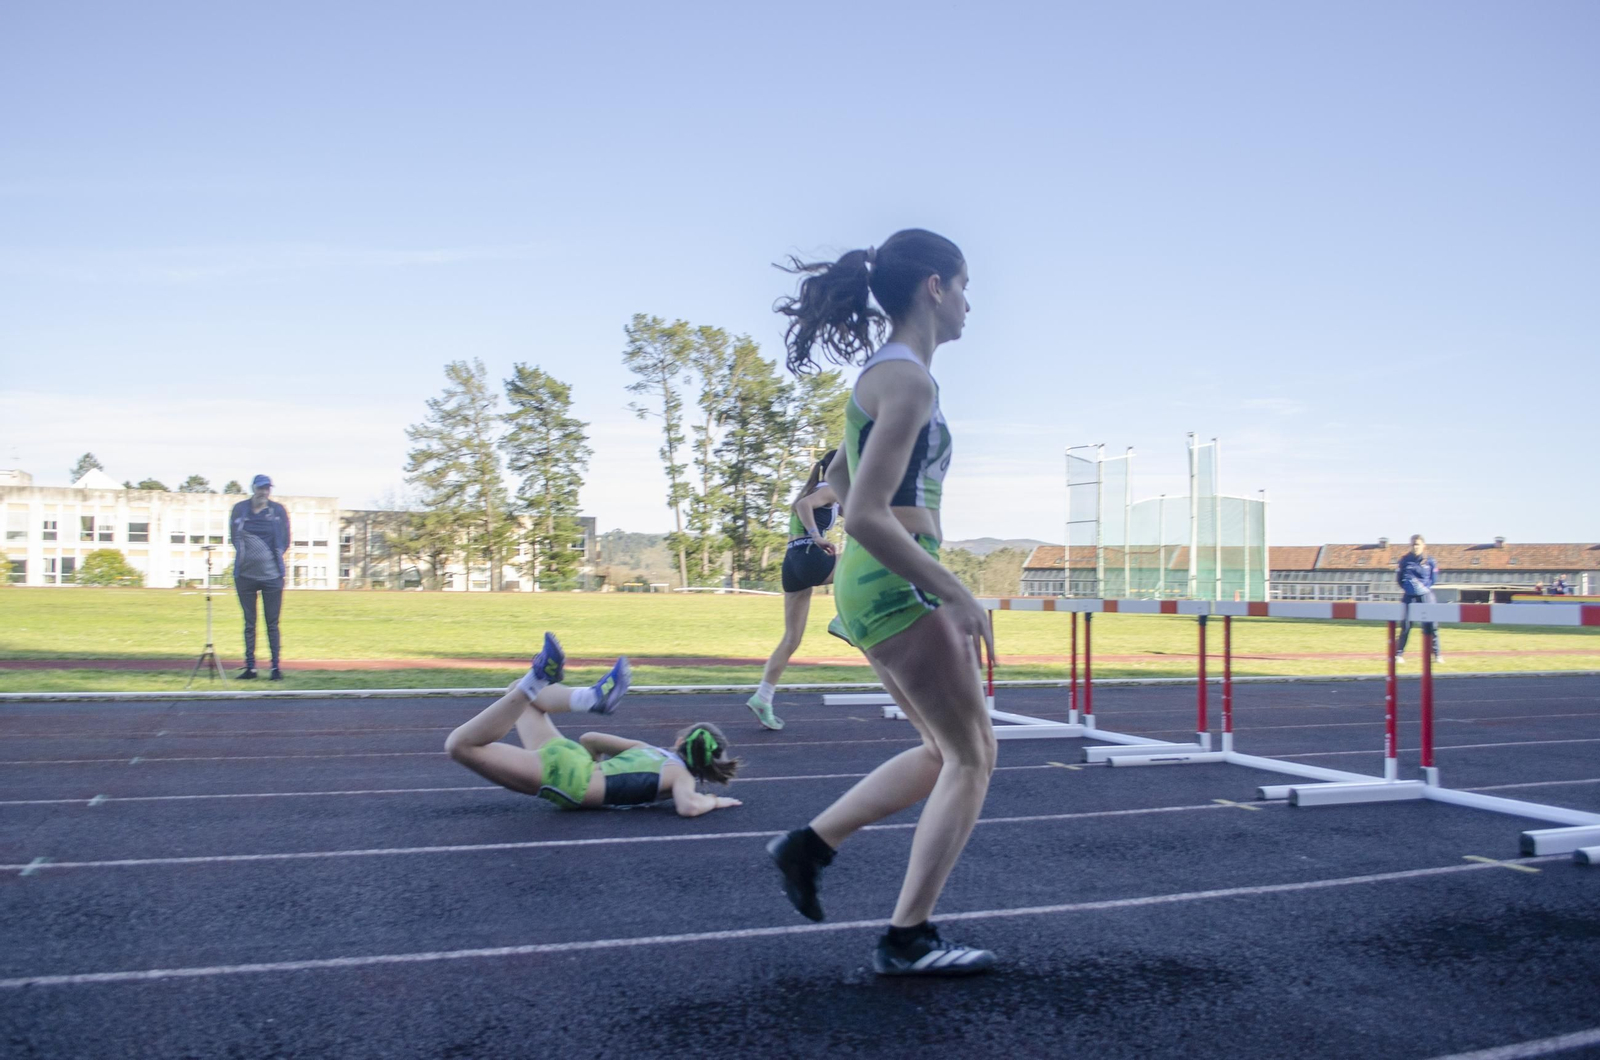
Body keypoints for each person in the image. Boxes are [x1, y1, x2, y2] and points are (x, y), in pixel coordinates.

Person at [765, 229, 998, 977]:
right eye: (964, 284)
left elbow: (837, 472)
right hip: (898, 576)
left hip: (875, 578)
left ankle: (810, 845)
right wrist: (957, 592)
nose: (970, 301)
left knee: (944, 750)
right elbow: (861, 510)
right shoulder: (908, 380)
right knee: (972, 756)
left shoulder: (886, 376)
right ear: (934, 286)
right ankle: (907, 937)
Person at [445, 633, 742, 815]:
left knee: (519, 693)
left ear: (680, 742)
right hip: (572, 780)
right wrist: (712, 802)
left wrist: (593, 764)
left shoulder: (646, 749)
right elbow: (688, 806)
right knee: (460, 746)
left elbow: (589, 739)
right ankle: (541, 679)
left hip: (571, 755)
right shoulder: (682, 778)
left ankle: (587, 698)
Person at [747, 449, 842, 730]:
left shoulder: (828, 490)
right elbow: (803, 506)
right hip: (810, 555)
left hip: (792, 563)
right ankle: (845, 620)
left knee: (792, 638)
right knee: (869, 557)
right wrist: (816, 535)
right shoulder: (830, 489)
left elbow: (859, 512)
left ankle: (763, 696)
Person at [229, 474, 289, 680]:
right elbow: (233, 537)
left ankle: (275, 668)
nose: (264, 492)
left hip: (272, 576)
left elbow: (285, 539)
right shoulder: (240, 509)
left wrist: (271, 558)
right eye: (261, 488)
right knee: (249, 623)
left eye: (267, 489)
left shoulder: (277, 511)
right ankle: (250, 667)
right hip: (245, 575)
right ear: (254, 488)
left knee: (272, 623)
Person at [1396, 534, 1441, 664]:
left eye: (1418, 544)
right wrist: (1409, 588)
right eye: (1413, 544)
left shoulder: (1430, 561)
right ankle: (1399, 654)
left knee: (1432, 625)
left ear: (1423, 545)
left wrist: (1423, 589)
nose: (1415, 547)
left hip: (1426, 594)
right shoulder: (1404, 560)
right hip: (1409, 596)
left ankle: (1437, 654)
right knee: (1405, 625)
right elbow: (1399, 579)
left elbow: (1433, 579)